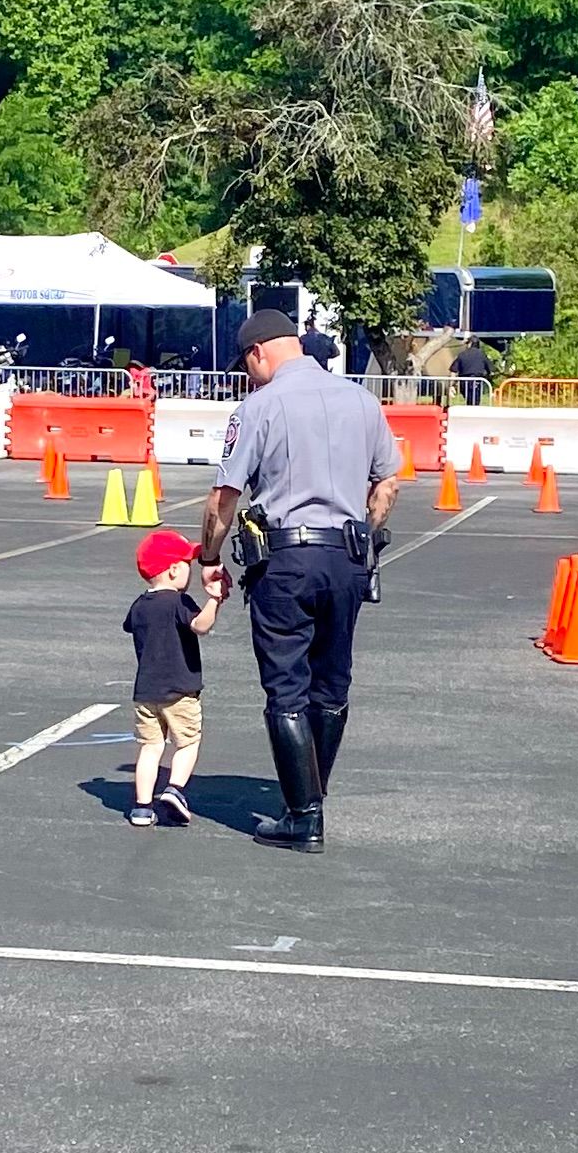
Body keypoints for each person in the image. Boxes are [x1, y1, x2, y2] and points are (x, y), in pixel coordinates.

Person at [199, 310, 400, 854]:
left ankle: (303, 815)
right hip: (347, 555)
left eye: (246, 365)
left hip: (285, 558)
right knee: (332, 685)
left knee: (286, 687)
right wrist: (364, 536)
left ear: (257, 353)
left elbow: (225, 497)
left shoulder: (259, 407)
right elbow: (387, 483)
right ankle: (312, 789)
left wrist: (209, 556)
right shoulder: (361, 399)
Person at [122, 530, 224, 827]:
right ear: (174, 569)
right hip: (181, 688)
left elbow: (130, 626)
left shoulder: (139, 605)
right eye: (187, 564)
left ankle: (142, 807)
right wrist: (214, 600)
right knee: (188, 743)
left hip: (146, 692)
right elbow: (200, 626)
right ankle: (174, 789)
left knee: (150, 748)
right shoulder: (179, 602)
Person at [450, 336, 493, 406]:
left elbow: (453, 370)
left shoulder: (462, 354)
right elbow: (490, 369)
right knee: (475, 402)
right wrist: (489, 379)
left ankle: (469, 410)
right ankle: (473, 414)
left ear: (470, 344)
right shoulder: (482, 354)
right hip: (477, 381)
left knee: (469, 400)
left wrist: (452, 385)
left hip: (464, 382)